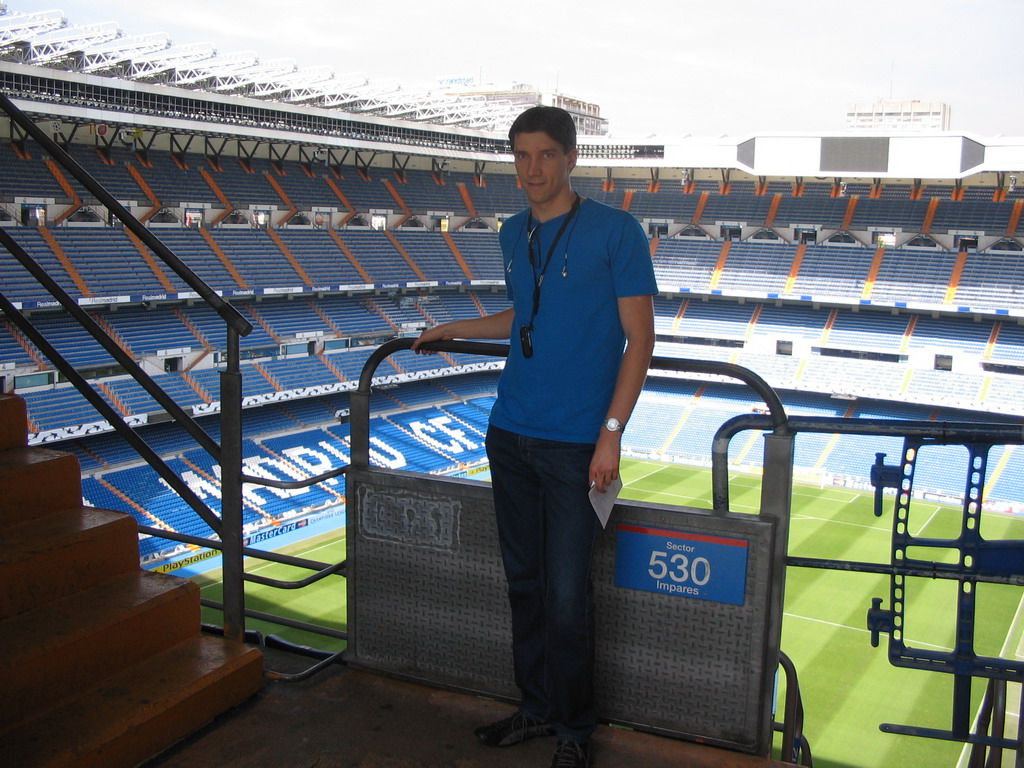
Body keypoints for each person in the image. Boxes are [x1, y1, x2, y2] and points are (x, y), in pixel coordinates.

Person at [412, 105, 656, 768]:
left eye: (546, 155)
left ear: (572, 158)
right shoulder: (512, 230)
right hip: (510, 432)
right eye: (521, 156)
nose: (532, 169)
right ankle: (536, 708)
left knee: (569, 597)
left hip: (578, 442)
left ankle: (575, 733)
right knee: (524, 584)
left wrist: (611, 433)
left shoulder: (616, 231)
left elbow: (641, 338)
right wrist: (453, 330)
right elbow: (525, 314)